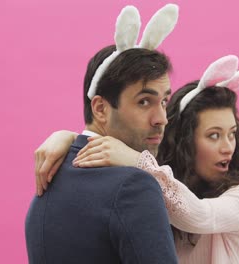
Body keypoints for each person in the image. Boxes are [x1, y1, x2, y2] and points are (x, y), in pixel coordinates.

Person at [35, 55, 239, 263]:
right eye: (213, 135)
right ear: (184, 142)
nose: (228, 147)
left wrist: (137, 160)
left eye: (232, 134)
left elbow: (199, 216)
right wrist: (71, 138)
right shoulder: (160, 185)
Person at [26, 4, 180, 264]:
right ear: (100, 108)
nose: (161, 119)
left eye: (164, 101)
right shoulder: (134, 186)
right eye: (144, 102)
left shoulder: (51, 175)